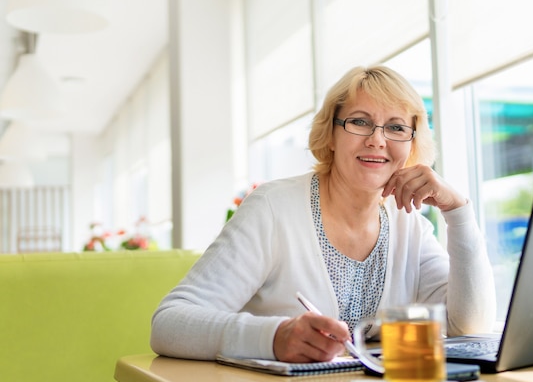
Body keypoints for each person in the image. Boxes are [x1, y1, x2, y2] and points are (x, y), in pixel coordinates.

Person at [150, 65, 496, 363]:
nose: (377, 140)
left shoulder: (410, 226)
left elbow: (469, 326)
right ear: (330, 134)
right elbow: (170, 324)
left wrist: (458, 212)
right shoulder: (273, 208)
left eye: (395, 127)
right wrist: (274, 337)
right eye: (360, 122)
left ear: (411, 142)